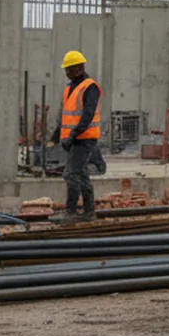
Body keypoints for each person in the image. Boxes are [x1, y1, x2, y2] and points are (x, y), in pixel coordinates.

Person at [51, 50, 102, 221]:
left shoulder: (90, 87)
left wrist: (72, 135)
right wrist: (56, 135)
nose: (67, 72)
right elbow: (66, 116)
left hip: (84, 139)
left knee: (71, 174)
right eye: (66, 69)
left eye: (69, 69)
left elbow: (87, 115)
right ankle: (89, 212)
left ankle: (71, 212)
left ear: (79, 68)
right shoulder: (69, 88)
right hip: (75, 139)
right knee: (81, 174)